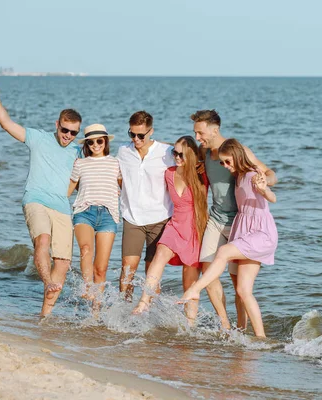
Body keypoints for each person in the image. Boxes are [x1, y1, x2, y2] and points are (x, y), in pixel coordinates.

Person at [0, 80, 82, 318]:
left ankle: (44, 316)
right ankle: (47, 282)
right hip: (35, 199)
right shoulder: (38, 138)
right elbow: (7, 124)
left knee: (64, 263)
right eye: (64, 130)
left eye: (73, 132)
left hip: (61, 207)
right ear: (57, 125)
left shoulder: (78, 150)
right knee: (43, 242)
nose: (67, 136)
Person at [180, 139, 278, 337]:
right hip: (244, 231)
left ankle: (195, 289)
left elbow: (272, 197)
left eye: (227, 162)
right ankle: (261, 338)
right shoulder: (239, 175)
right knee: (243, 290)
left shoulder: (251, 175)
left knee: (223, 252)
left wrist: (264, 187)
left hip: (260, 233)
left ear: (237, 157)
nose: (225, 166)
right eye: (222, 163)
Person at [132, 136, 208, 324]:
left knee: (188, 282)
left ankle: (190, 324)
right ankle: (144, 302)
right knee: (159, 255)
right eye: (174, 153)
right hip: (175, 225)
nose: (177, 157)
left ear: (191, 155)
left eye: (182, 154)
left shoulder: (202, 175)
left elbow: (212, 153)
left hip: (194, 230)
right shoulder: (169, 173)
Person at [117, 111, 175, 301]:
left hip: (160, 218)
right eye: (132, 134)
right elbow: (118, 178)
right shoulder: (123, 152)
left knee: (153, 272)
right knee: (128, 268)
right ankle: (123, 309)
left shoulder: (166, 153)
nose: (136, 139)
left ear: (151, 131)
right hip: (132, 218)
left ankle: (150, 314)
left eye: (140, 135)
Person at [67, 124, 120, 310]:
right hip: (84, 212)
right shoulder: (80, 163)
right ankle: (87, 288)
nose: (96, 145)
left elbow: (125, 188)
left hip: (108, 215)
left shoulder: (115, 163)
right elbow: (68, 190)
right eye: (91, 142)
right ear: (86, 144)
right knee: (86, 250)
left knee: (101, 268)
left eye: (99, 141)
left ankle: (95, 312)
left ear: (105, 141)